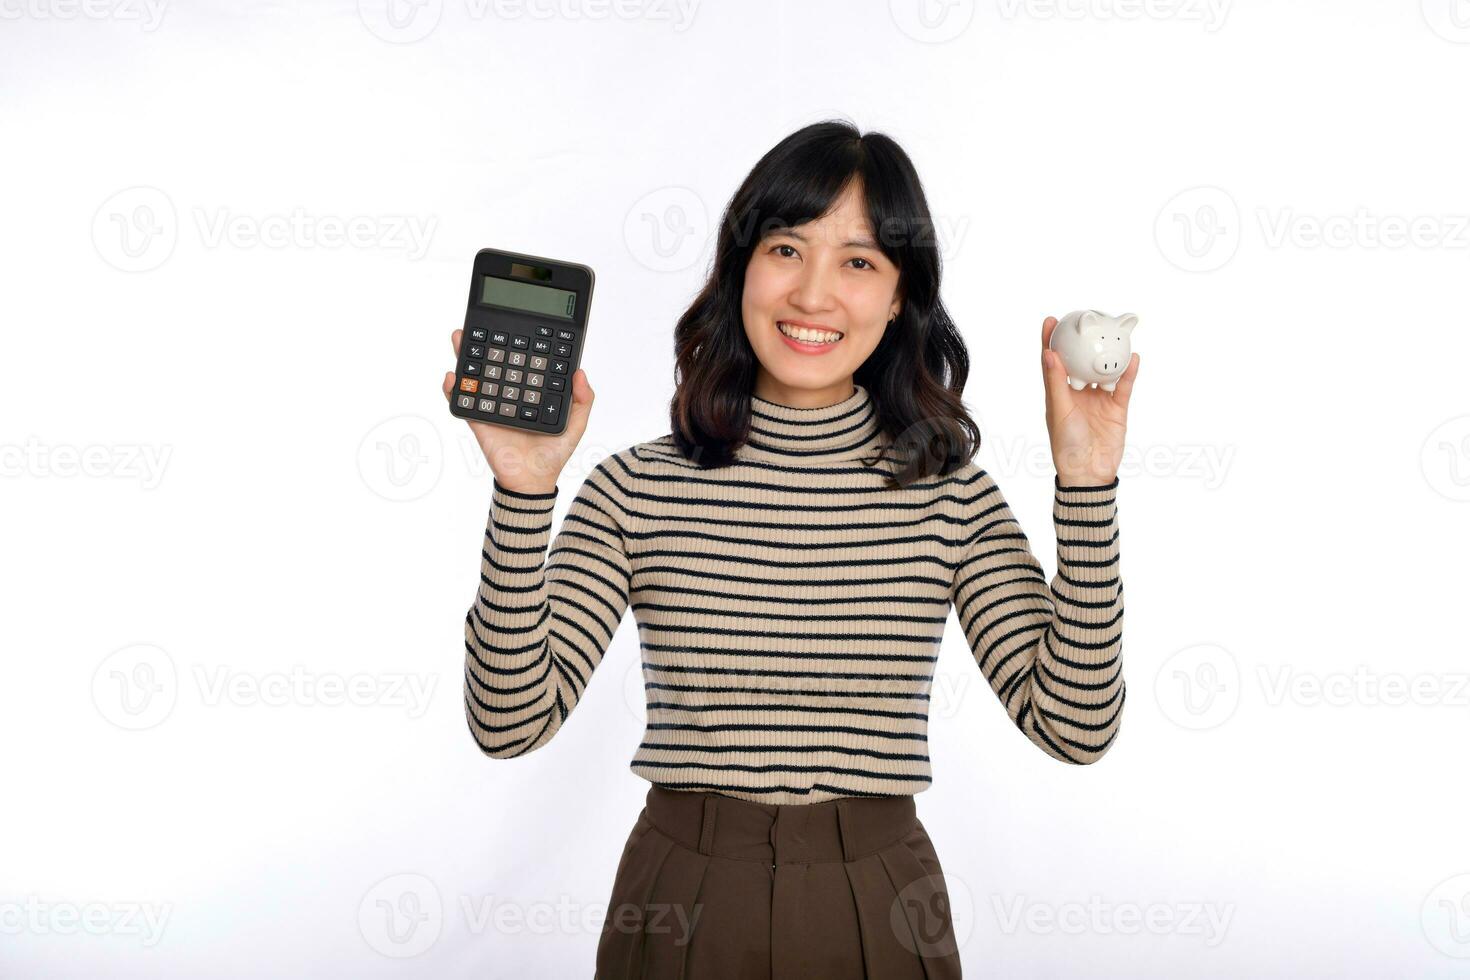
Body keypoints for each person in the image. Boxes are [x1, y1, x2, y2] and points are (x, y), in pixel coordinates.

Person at [444, 119, 1139, 979]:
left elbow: (1075, 728)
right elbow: (508, 724)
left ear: (898, 298)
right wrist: (523, 494)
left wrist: (1086, 485)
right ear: (741, 269)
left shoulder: (947, 492)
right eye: (785, 248)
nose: (813, 294)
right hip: (679, 899)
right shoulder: (635, 487)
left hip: (881, 899)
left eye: (858, 262)